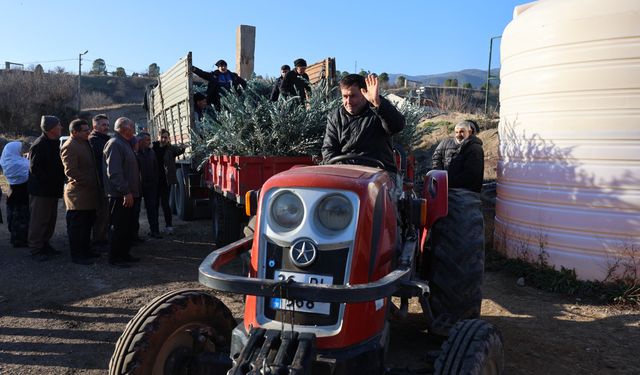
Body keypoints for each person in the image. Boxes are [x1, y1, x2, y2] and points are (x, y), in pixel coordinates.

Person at [322, 74, 405, 173]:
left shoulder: (379, 111)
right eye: (345, 96)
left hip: (379, 173)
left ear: (364, 93)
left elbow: (397, 126)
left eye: (353, 96)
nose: (348, 101)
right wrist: (343, 170)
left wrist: (378, 103)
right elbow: (328, 150)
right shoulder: (335, 117)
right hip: (345, 172)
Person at [61, 119, 101, 265]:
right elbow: (71, 171)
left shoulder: (84, 143)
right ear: (74, 132)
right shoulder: (69, 146)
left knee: (87, 225)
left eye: (88, 129)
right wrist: (88, 182)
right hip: (78, 196)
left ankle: (86, 251)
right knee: (78, 227)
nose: (88, 132)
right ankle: (77, 255)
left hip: (88, 193)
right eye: (85, 130)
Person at [103, 117, 141, 267]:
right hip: (120, 195)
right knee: (118, 227)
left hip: (129, 194)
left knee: (127, 227)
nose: (133, 130)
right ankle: (115, 258)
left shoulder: (124, 143)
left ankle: (124, 254)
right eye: (132, 127)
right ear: (124, 128)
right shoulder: (115, 144)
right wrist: (125, 192)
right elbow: (114, 172)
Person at [27, 115, 65, 260]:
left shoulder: (53, 142)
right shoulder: (39, 144)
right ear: (51, 129)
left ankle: (45, 244)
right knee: (39, 220)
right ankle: (36, 248)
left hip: (51, 190)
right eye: (58, 125)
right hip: (41, 192)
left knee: (49, 219)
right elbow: (35, 169)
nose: (61, 127)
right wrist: (50, 182)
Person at [431, 120, 484, 193]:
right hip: (444, 186)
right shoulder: (445, 143)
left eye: (462, 132)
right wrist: (440, 175)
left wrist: (449, 182)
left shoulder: (475, 149)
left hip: (465, 192)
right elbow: (436, 158)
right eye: (456, 132)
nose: (458, 135)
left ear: (470, 132)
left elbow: (471, 174)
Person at [152, 129, 185, 234]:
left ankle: (169, 225)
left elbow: (179, 150)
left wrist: (183, 148)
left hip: (165, 182)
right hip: (154, 181)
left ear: (168, 138)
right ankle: (154, 228)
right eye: (162, 137)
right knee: (154, 205)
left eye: (165, 137)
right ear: (158, 137)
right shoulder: (153, 148)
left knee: (166, 205)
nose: (163, 139)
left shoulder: (170, 149)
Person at [0, 141, 30, 248]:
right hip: (22, 193)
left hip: (11, 191)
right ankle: (22, 240)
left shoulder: (6, 161)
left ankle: (15, 238)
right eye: (20, 149)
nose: (22, 151)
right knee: (22, 217)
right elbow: (30, 172)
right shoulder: (21, 163)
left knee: (13, 217)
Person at [133, 132, 161, 239]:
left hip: (151, 185)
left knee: (152, 209)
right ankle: (134, 235)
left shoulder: (151, 152)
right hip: (138, 186)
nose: (149, 142)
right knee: (136, 211)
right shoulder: (135, 153)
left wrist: (155, 182)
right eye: (147, 140)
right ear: (140, 141)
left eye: (149, 140)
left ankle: (155, 231)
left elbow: (155, 168)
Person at [88, 114, 110, 246]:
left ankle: (102, 237)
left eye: (107, 125)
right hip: (99, 182)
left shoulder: (104, 139)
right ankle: (98, 240)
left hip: (105, 181)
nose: (106, 127)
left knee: (105, 213)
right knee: (101, 213)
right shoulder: (94, 141)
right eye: (103, 125)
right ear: (94, 126)